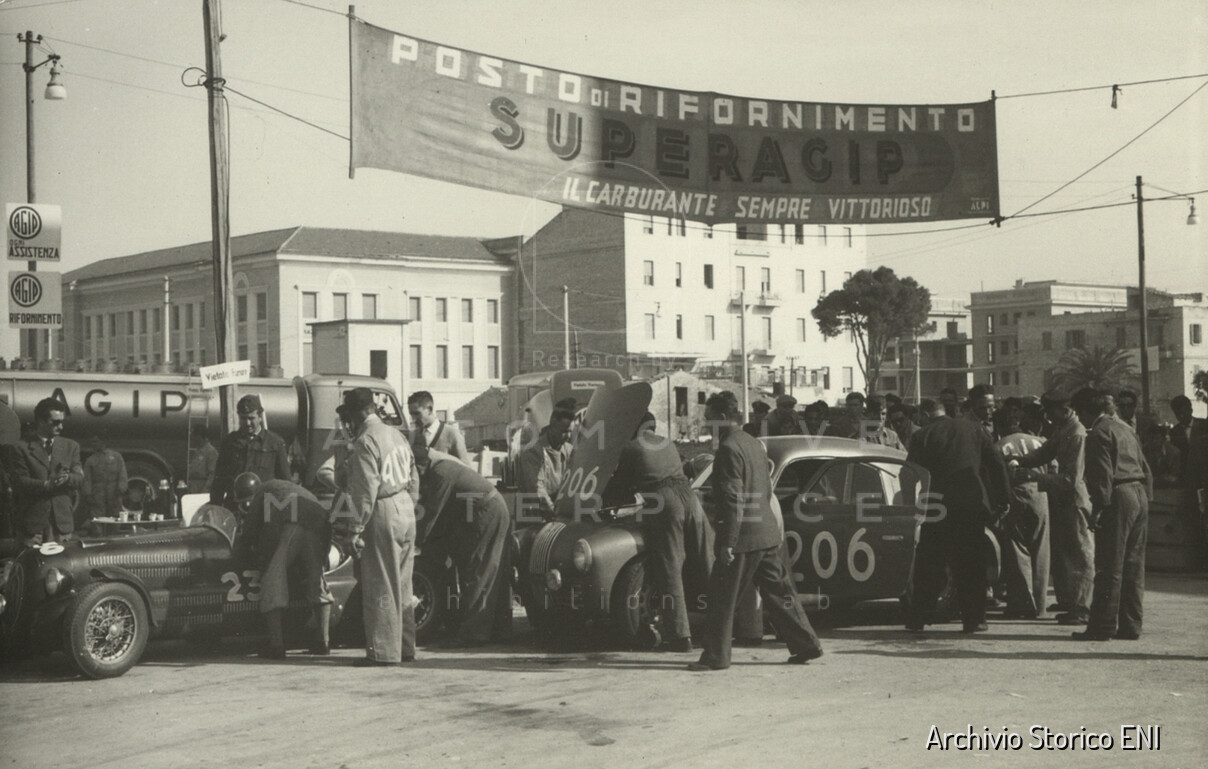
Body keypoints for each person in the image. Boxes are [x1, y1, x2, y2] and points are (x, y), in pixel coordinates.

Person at [689, 391, 823, 671]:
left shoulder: (728, 448)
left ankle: (715, 657)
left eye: (709, 419)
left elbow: (733, 499)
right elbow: (763, 489)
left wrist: (728, 542)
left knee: (721, 599)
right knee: (780, 593)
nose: (706, 424)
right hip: (766, 533)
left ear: (722, 418)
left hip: (743, 538)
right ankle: (806, 644)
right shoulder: (753, 443)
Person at [608, 412, 713, 653]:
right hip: (690, 498)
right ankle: (723, 626)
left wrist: (604, 499)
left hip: (664, 500)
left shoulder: (633, 447)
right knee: (707, 560)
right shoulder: (668, 443)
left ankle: (680, 636)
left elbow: (620, 485)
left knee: (670, 566)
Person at [904, 399, 1010, 634]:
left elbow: (908, 474)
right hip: (971, 506)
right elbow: (996, 464)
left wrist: (912, 505)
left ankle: (918, 618)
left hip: (936, 507)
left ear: (926, 414)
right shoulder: (974, 429)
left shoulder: (922, 435)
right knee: (972, 565)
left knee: (929, 564)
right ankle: (975, 620)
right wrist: (1003, 499)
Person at [334, 387, 419, 667]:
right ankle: (405, 647)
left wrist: (355, 530)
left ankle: (383, 652)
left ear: (356, 414)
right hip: (405, 505)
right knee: (403, 583)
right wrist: (408, 504)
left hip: (383, 508)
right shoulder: (396, 434)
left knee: (381, 582)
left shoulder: (365, 441)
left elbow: (364, 491)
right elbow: (414, 476)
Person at [1071, 388, 1152, 641]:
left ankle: (1102, 626)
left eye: (1078, 412)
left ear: (1086, 411)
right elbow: (1145, 467)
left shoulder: (1098, 433)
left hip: (1118, 496)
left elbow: (1102, 477)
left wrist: (1098, 509)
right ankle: (1131, 625)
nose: (1078, 418)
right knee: (1133, 565)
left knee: (1109, 566)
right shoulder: (1125, 429)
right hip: (1138, 493)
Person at [414, 444, 513, 647]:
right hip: (490, 508)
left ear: (420, 466)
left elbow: (432, 512)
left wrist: (412, 541)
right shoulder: (442, 466)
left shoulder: (441, 472)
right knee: (493, 570)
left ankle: (472, 634)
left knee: (478, 570)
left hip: (485, 511)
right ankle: (499, 630)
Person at [1015, 389, 1094, 624]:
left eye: (1050, 412)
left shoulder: (1077, 433)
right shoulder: (1063, 429)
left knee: (1080, 554)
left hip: (1075, 500)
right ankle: (1070, 601)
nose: (1047, 417)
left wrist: (1033, 476)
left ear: (1065, 409)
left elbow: (1071, 479)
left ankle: (1082, 607)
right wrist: (1021, 460)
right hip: (1062, 499)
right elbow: (1045, 452)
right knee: (1065, 553)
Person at [235, 473, 333, 659]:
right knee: (317, 580)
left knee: (272, 579)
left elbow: (249, 534)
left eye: (246, 503)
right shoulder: (282, 486)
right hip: (318, 518)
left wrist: (244, 549)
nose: (246, 506)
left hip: (288, 520)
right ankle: (324, 641)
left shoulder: (261, 494)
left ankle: (277, 645)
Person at [993, 406, 1051, 619]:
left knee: (1017, 550)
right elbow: (1054, 468)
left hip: (1015, 495)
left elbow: (996, 477)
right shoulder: (1040, 441)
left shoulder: (998, 446)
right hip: (1040, 494)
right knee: (1041, 550)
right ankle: (1041, 606)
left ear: (999, 426)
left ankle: (1023, 604)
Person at [8, 398, 84, 546]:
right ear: (40, 421)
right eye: (55, 422)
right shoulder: (20, 448)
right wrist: (47, 484)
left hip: (61, 526)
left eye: (62, 422)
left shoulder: (71, 446)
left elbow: (80, 478)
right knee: (31, 560)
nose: (60, 427)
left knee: (62, 561)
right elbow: (19, 482)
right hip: (33, 527)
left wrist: (67, 478)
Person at [211, 395, 291, 508]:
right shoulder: (230, 442)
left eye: (251, 418)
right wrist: (215, 508)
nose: (247, 423)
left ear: (260, 417)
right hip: (234, 506)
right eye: (243, 418)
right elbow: (219, 481)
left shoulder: (275, 443)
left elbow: (285, 482)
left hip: (263, 507)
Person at [516, 407, 574, 519]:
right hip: (534, 517)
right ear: (552, 425)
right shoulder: (533, 451)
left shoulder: (569, 450)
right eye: (564, 432)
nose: (567, 437)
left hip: (557, 515)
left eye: (570, 432)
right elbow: (537, 490)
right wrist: (556, 514)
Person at [407, 390, 471, 465]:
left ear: (430, 410)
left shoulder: (452, 434)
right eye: (411, 414)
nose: (413, 418)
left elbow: (465, 467)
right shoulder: (415, 435)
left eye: (417, 413)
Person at [81, 433, 128, 523]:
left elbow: (122, 474)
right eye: (92, 442)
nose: (93, 444)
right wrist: (88, 494)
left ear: (103, 442)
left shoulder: (116, 457)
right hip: (98, 494)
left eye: (95, 442)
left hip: (114, 493)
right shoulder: (90, 460)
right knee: (97, 520)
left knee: (115, 519)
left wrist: (121, 489)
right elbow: (87, 479)